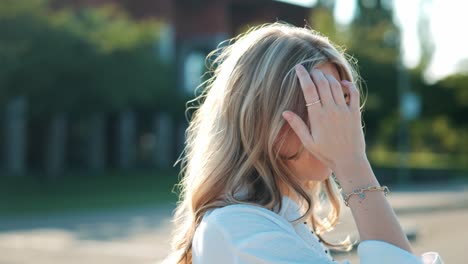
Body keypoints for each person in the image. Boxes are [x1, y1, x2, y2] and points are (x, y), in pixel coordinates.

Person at [164, 22, 443, 264]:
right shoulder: (237, 229)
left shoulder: (274, 218)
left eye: (341, 102)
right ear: (260, 118)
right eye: (318, 103)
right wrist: (352, 163)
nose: (336, 121)